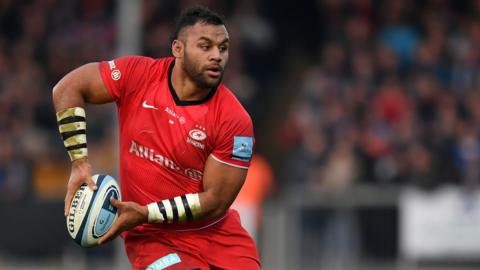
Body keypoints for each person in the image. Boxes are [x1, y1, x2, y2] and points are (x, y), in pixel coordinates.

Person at [52, 6, 260, 270]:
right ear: (178, 49)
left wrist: (146, 211)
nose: (217, 56)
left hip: (219, 237)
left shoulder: (234, 120)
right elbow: (67, 89)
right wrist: (79, 163)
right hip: (153, 237)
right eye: (205, 46)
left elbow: (215, 202)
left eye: (223, 48)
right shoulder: (137, 76)